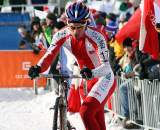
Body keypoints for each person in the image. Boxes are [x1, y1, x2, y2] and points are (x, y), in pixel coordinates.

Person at [28, 2, 116, 130]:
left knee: (85, 112)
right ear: (67, 23)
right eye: (72, 27)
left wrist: (92, 73)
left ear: (86, 22)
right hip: (89, 80)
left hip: (104, 78)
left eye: (79, 27)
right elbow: (50, 54)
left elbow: (107, 67)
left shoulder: (97, 37)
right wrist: (38, 68)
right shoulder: (61, 34)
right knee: (96, 120)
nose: (75, 31)